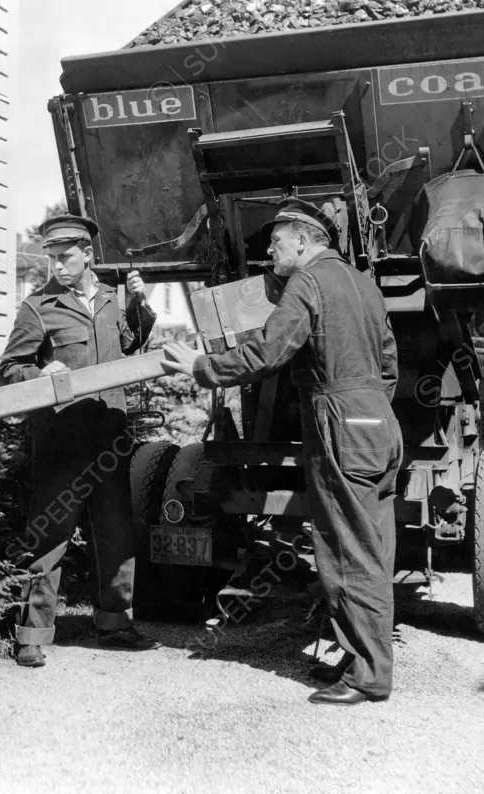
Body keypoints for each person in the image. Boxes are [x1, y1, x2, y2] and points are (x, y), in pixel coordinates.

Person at [162, 198, 402, 705]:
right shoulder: (364, 283)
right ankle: (366, 657)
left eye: (274, 242)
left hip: (340, 422)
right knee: (374, 546)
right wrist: (366, 407)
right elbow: (388, 364)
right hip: (380, 420)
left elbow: (269, 352)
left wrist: (202, 367)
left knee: (344, 548)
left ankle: (367, 676)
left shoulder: (308, 282)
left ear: (302, 239)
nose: (269, 252)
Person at [0, 214, 162, 668]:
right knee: (50, 535)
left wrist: (139, 305)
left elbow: (132, 350)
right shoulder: (37, 307)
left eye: (66, 257)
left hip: (110, 437)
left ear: (88, 254)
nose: (57, 266)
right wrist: (39, 372)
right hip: (62, 441)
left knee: (115, 532)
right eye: (51, 257)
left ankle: (115, 623)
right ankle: (32, 634)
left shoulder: (111, 302)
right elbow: (8, 372)